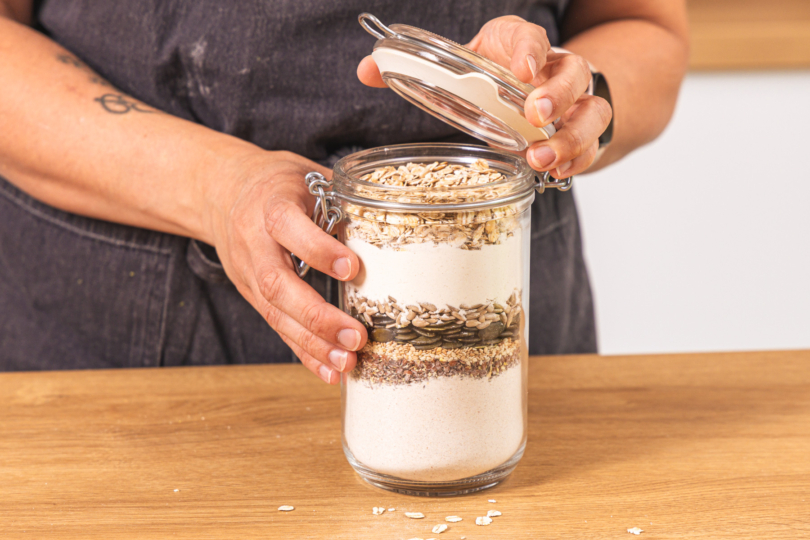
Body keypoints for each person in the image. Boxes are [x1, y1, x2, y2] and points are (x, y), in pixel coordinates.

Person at [0, 1, 688, 379]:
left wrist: (575, 101)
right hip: (116, 354)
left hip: (498, 325)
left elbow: (645, 28)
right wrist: (217, 185)